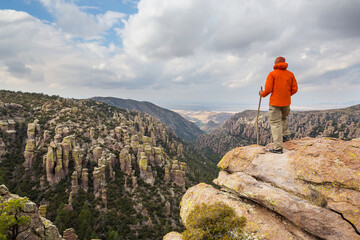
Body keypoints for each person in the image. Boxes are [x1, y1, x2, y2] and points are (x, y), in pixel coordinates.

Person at [259, 56, 298, 154]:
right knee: (283, 118)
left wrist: (261, 94)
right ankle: (285, 136)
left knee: (275, 123)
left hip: (275, 103)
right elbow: (295, 89)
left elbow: (268, 90)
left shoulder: (272, 74)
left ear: (275, 63)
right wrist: (286, 95)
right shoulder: (290, 74)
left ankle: (278, 148)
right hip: (286, 102)